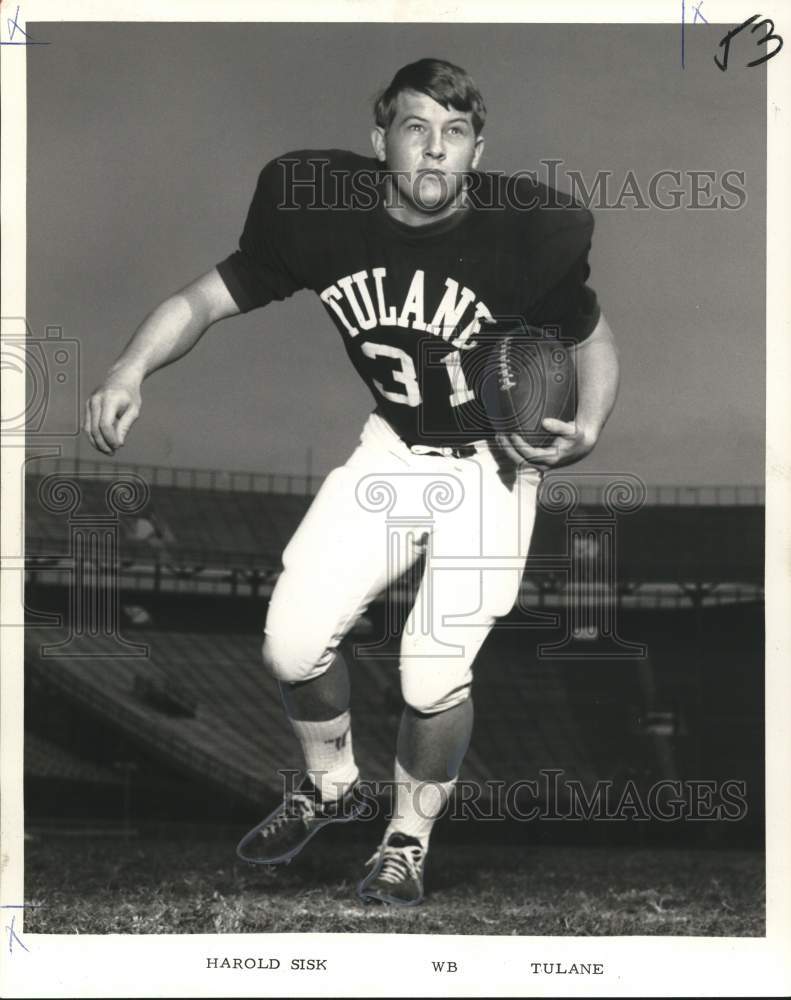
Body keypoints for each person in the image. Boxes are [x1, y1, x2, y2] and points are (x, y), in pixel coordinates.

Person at [84, 57, 619, 907]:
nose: (433, 152)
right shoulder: (319, 212)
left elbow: (588, 336)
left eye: (453, 134)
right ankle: (329, 785)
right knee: (290, 641)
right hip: (393, 450)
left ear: (478, 149)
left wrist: (588, 425)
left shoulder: (529, 233)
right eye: (415, 129)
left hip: (490, 466)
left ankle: (405, 841)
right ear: (381, 142)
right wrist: (128, 368)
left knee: (431, 670)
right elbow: (204, 297)